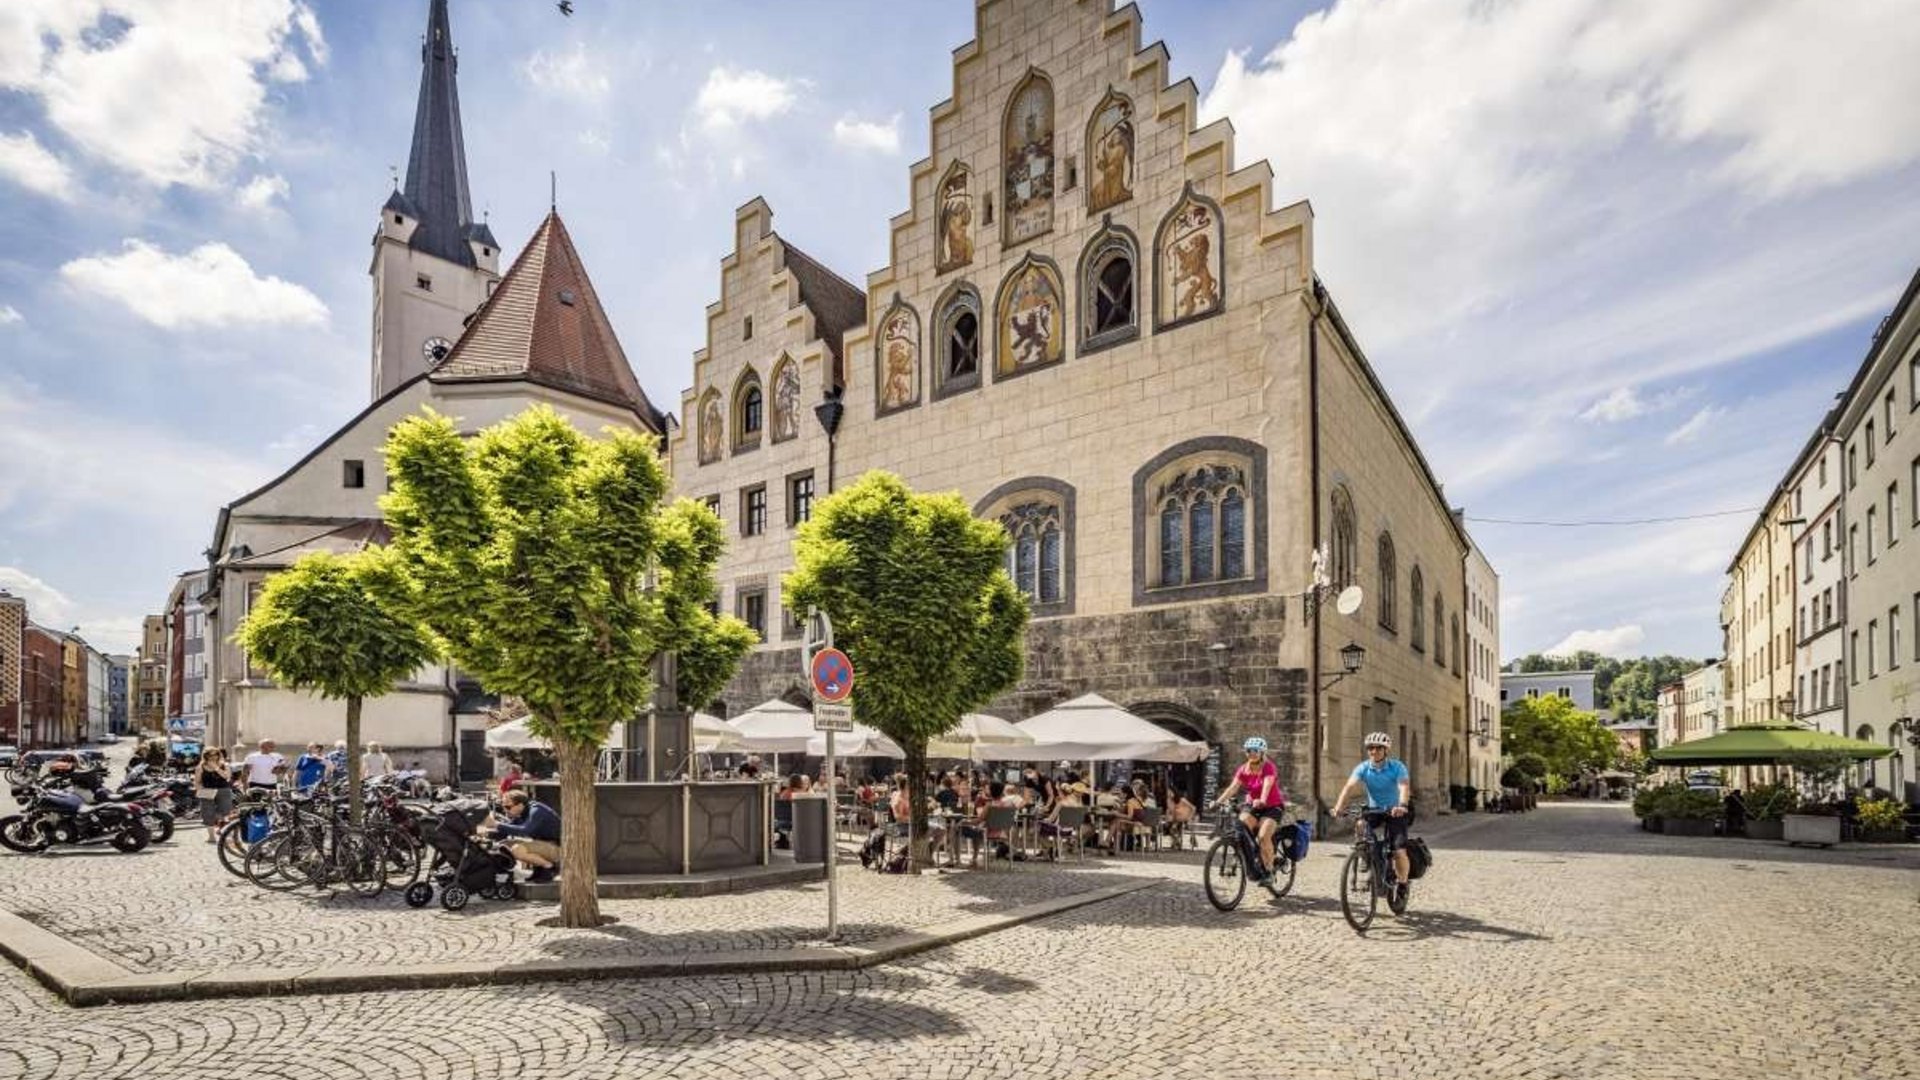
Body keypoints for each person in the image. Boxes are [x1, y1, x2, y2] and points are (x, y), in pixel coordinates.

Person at [1330, 731, 1412, 902]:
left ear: (1385, 750)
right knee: (1360, 824)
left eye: (1378, 748)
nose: (1373, 752)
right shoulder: (1363, 768)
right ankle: (1365, 854)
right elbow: (1349, 787)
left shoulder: (1397, 767)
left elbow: (1403, 787)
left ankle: (1403, 885)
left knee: (1399, 851)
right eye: (1370, 748)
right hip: (1374, 810)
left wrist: (1402, 805)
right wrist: (1338, 807)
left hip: (1396, 811)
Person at [1210, 736, 1287, 880]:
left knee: (1263, 836)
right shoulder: (1243, 769)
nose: (1252, 753)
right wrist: (1218, 802)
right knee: (1241, 825)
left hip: (1272, 806)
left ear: (1262, 752)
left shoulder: (1268, 767)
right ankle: (1252, 858)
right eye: (1249, 750)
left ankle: (1269, 871)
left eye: (1255, 751)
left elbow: (1267, 785)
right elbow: (1233, 788)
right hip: (1252, 805)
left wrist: (1263, 800)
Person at [489, 789, 561, 883]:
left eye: (508, 807)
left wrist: (496, 824)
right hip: (546, 845)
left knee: (517, 849)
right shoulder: (522, 813)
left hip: (558, 848)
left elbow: (525, 830)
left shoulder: (536, 810)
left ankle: (549, 868)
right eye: (503, 807)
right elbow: (505, 832)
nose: (505, 810)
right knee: (504, 844)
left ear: (520, 805)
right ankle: (539, 870)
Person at [195, 748, 234, 841]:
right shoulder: (200, 766)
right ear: (205, 756)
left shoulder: (225, 765)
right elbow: (197, 781)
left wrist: (216, 768)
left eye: (215, 754)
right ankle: (211, 836)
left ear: (218, 755)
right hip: (207, 791)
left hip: (223, 790)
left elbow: (227, 777)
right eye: (210, 755)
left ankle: (224, 831)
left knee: (225, 811)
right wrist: (199, 790)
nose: (213, 757)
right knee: (207, 813)